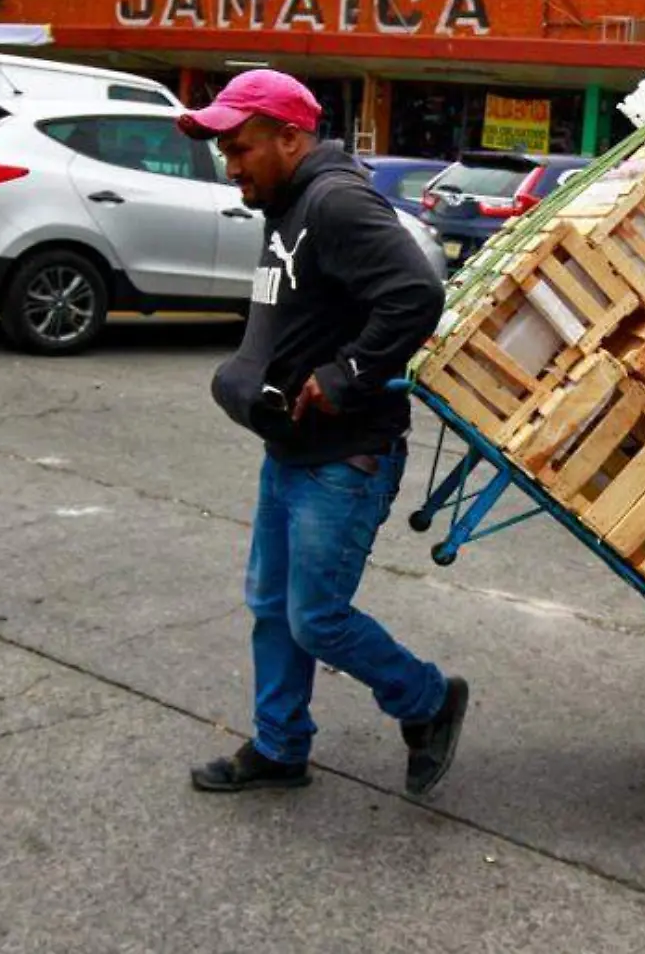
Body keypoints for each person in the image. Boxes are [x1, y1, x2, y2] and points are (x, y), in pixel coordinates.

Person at [179, 70, 468, 796]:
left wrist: (345, 374)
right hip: (292, 451)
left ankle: (428, 700)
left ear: (290, 136)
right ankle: (281, 747)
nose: (231, 164)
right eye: (224, 151)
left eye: (241, 147)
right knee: (273, 607)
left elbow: (415, 293)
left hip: (347, 458)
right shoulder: (287, 202)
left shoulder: (334, 202)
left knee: (316, 618)